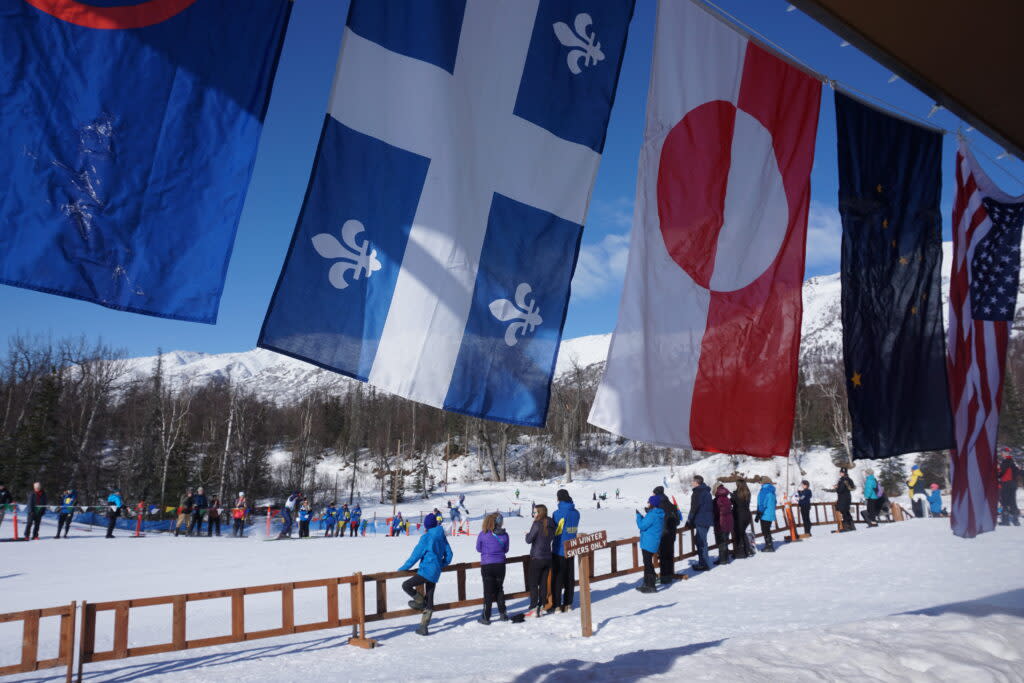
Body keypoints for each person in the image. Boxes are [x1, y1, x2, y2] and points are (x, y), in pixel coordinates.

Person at [398, 511, 453, 636]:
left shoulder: (426, 537)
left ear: (426, 526)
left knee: (406, 585)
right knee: (430, 598)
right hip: (435, 573)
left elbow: (416, 555)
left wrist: (404, 568)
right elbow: (449, 555)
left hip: (425, 571)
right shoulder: (442, 536)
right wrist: (440, 565)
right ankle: (423, 626)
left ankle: (419, 601)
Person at [476, 513, 510, 624]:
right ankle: (503, 613)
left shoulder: (483, 534)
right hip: (500, 565)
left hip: (487, 565)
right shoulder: (505, 535)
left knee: (488, 591)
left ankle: (486, 616)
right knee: (499, 589)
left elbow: (478, 548)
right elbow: (506, 549)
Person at [550, 489, 580, 613]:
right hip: (571, 548)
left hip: (559, 549)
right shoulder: (576, 513)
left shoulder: (557, 513)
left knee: (557, 578)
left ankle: (557, 605)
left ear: (559, 498)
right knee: (569, 577)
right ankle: (568, 603)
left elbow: (556, 531)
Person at [524, 504, 555, 618]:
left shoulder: (537, 524)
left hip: (537, 558)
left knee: (533, 584)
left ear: (540, 513)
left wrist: (528, 534)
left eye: (535, 512)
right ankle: (541, 605)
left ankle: (533, 606)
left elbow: (528, 540)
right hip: (547, 558)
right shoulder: (552, 524)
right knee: (543, 584)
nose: (534, 514)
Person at [684, 475, 714, 571]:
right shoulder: (706, 491)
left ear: (697, 483)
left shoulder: (697, 492)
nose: (691, 483)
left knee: (701, 542)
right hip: (707, 519)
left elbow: (694, 508)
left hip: (701, 520)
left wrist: (689, 520)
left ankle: (704, 564)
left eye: (693, 481)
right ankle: (703, 562)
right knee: (699, 541)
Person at [636, 496, 665, 593]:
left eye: (649, 502)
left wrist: (638, 516)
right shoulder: (658, 513)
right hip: (652, 541)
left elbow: (642, 526)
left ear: (652, 503)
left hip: (648, 542)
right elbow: (649, 524)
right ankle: (647, 583)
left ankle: (651, 585)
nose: (647, 503)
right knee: (648, 563)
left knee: (648, 564)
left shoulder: (652, 515)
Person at [653, 485, 679, 584]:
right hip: (671, 533)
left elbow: (654, 520)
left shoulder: (658, 505)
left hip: (663, 534)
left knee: (663, 556)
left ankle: (665, 577)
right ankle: (669, 575)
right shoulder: (669, 503)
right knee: (669, 554)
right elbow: (677, 521)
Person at [732, 481, 754, 558]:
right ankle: (747, 550)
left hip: (739, 515)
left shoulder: (736, 494)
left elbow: (733, 502)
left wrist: (732, 496)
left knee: (739, 534)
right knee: (742, 533)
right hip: (747, 514)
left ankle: (742, 552)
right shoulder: (748, 493)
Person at [998, 451, 1020, 526]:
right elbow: (1018, 472)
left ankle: (1005, 521)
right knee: (1012, 502)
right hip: (1013, 484)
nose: (1002, 454)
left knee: (1005, 502)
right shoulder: (1013, 463)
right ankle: (1016, 521)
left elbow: (1001, 473)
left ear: (1005, 455)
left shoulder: (1005, 462)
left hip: (1006, 484)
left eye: (1003, 453)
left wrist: (996, 476)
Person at [713, 484, 733, 564]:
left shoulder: (717, 500)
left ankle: (723, 559)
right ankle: (725, 558)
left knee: (721, 542)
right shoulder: (727, 498)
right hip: (729, 522)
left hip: (721, 523)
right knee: (725, 540)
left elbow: (715, 512)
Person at [756, 479, 777, 552]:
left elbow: (762, 503)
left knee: (765, 530)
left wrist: (759, 513)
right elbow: (775, 502)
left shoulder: (764, 490)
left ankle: (769, 546)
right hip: (770, 513)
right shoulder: (771, 490)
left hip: (765, 514)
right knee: (767, 529)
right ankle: (769, 545)